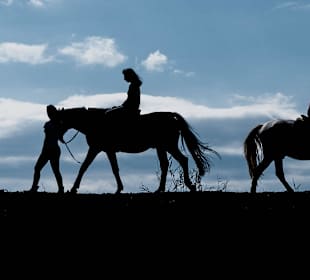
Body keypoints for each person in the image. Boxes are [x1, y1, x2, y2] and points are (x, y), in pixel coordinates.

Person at [29, 105, 66, 194]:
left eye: (49, 112)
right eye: (47, 112)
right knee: (38, 168)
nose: (48, 114)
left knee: (55, 170)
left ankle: (60, 189)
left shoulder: (57, 123)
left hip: (53, 150)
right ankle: (35, 188)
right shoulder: (50, 123)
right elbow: (47, 139)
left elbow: (59, 134)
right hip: (47, 150)